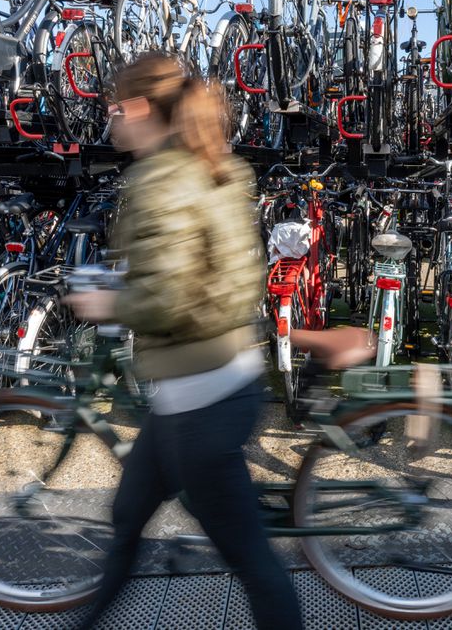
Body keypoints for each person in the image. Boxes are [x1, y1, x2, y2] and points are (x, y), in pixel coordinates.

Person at [65, 52, 301, 629]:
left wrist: (109, 302)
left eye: (114, 107)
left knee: (251, 561)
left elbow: (170, 296)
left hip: (200, 398)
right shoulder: (209, 163)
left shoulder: (160, 180)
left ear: (140, 107)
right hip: (209, 383)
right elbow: (203, 273)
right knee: (127, 515)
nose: (110, 120)